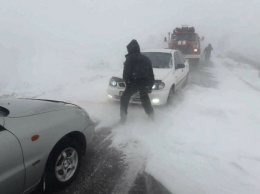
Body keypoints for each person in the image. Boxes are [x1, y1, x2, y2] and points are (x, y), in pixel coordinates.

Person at [120, 39, 155, 123]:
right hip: (145, 83)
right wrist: (150, 86)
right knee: (144, 98)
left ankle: (123, 118)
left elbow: (126, 74)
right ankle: (151, 115)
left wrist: (128, 84)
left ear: (131, 49)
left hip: (134, 83)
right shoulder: (146, 59)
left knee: (124, 98)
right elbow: (151, 74)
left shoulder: (129, 59)